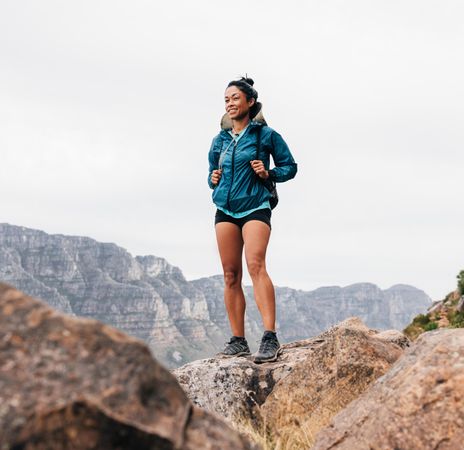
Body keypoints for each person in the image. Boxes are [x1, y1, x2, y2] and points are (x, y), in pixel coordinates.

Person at [207, 77, 297, 363]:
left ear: (250, 102)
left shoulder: (265, 135)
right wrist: (213, 179)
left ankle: (269, 337)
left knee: (256, 265)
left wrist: (268, 173)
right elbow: (212, 172)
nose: (230, 103)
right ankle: (238, 341)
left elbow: (290, 167)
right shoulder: (219, 140)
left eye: (235, 98)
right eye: (226, 99)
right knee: (230, 275)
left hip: (256, 205)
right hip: (226, 209)